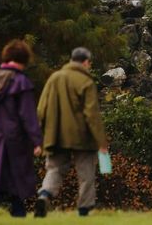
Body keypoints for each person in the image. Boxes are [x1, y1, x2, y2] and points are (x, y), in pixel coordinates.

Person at [35, 47, 108, 218]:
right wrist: (101, 142)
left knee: (54, 169)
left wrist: (38, 137)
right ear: (85, 62)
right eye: (89, 63)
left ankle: (45, 195)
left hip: (55, 135)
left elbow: (41, 110)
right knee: (86, 174)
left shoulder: (54, 78)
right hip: (82, 137)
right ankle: (84, 209)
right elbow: (92, 115)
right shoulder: (86, 81)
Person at [0, 39, 43, 218]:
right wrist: (37, 141)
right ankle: (18, 211)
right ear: (24, 59)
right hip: (18, 136)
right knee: (19, 173)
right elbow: (28, 116)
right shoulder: (21, 82)